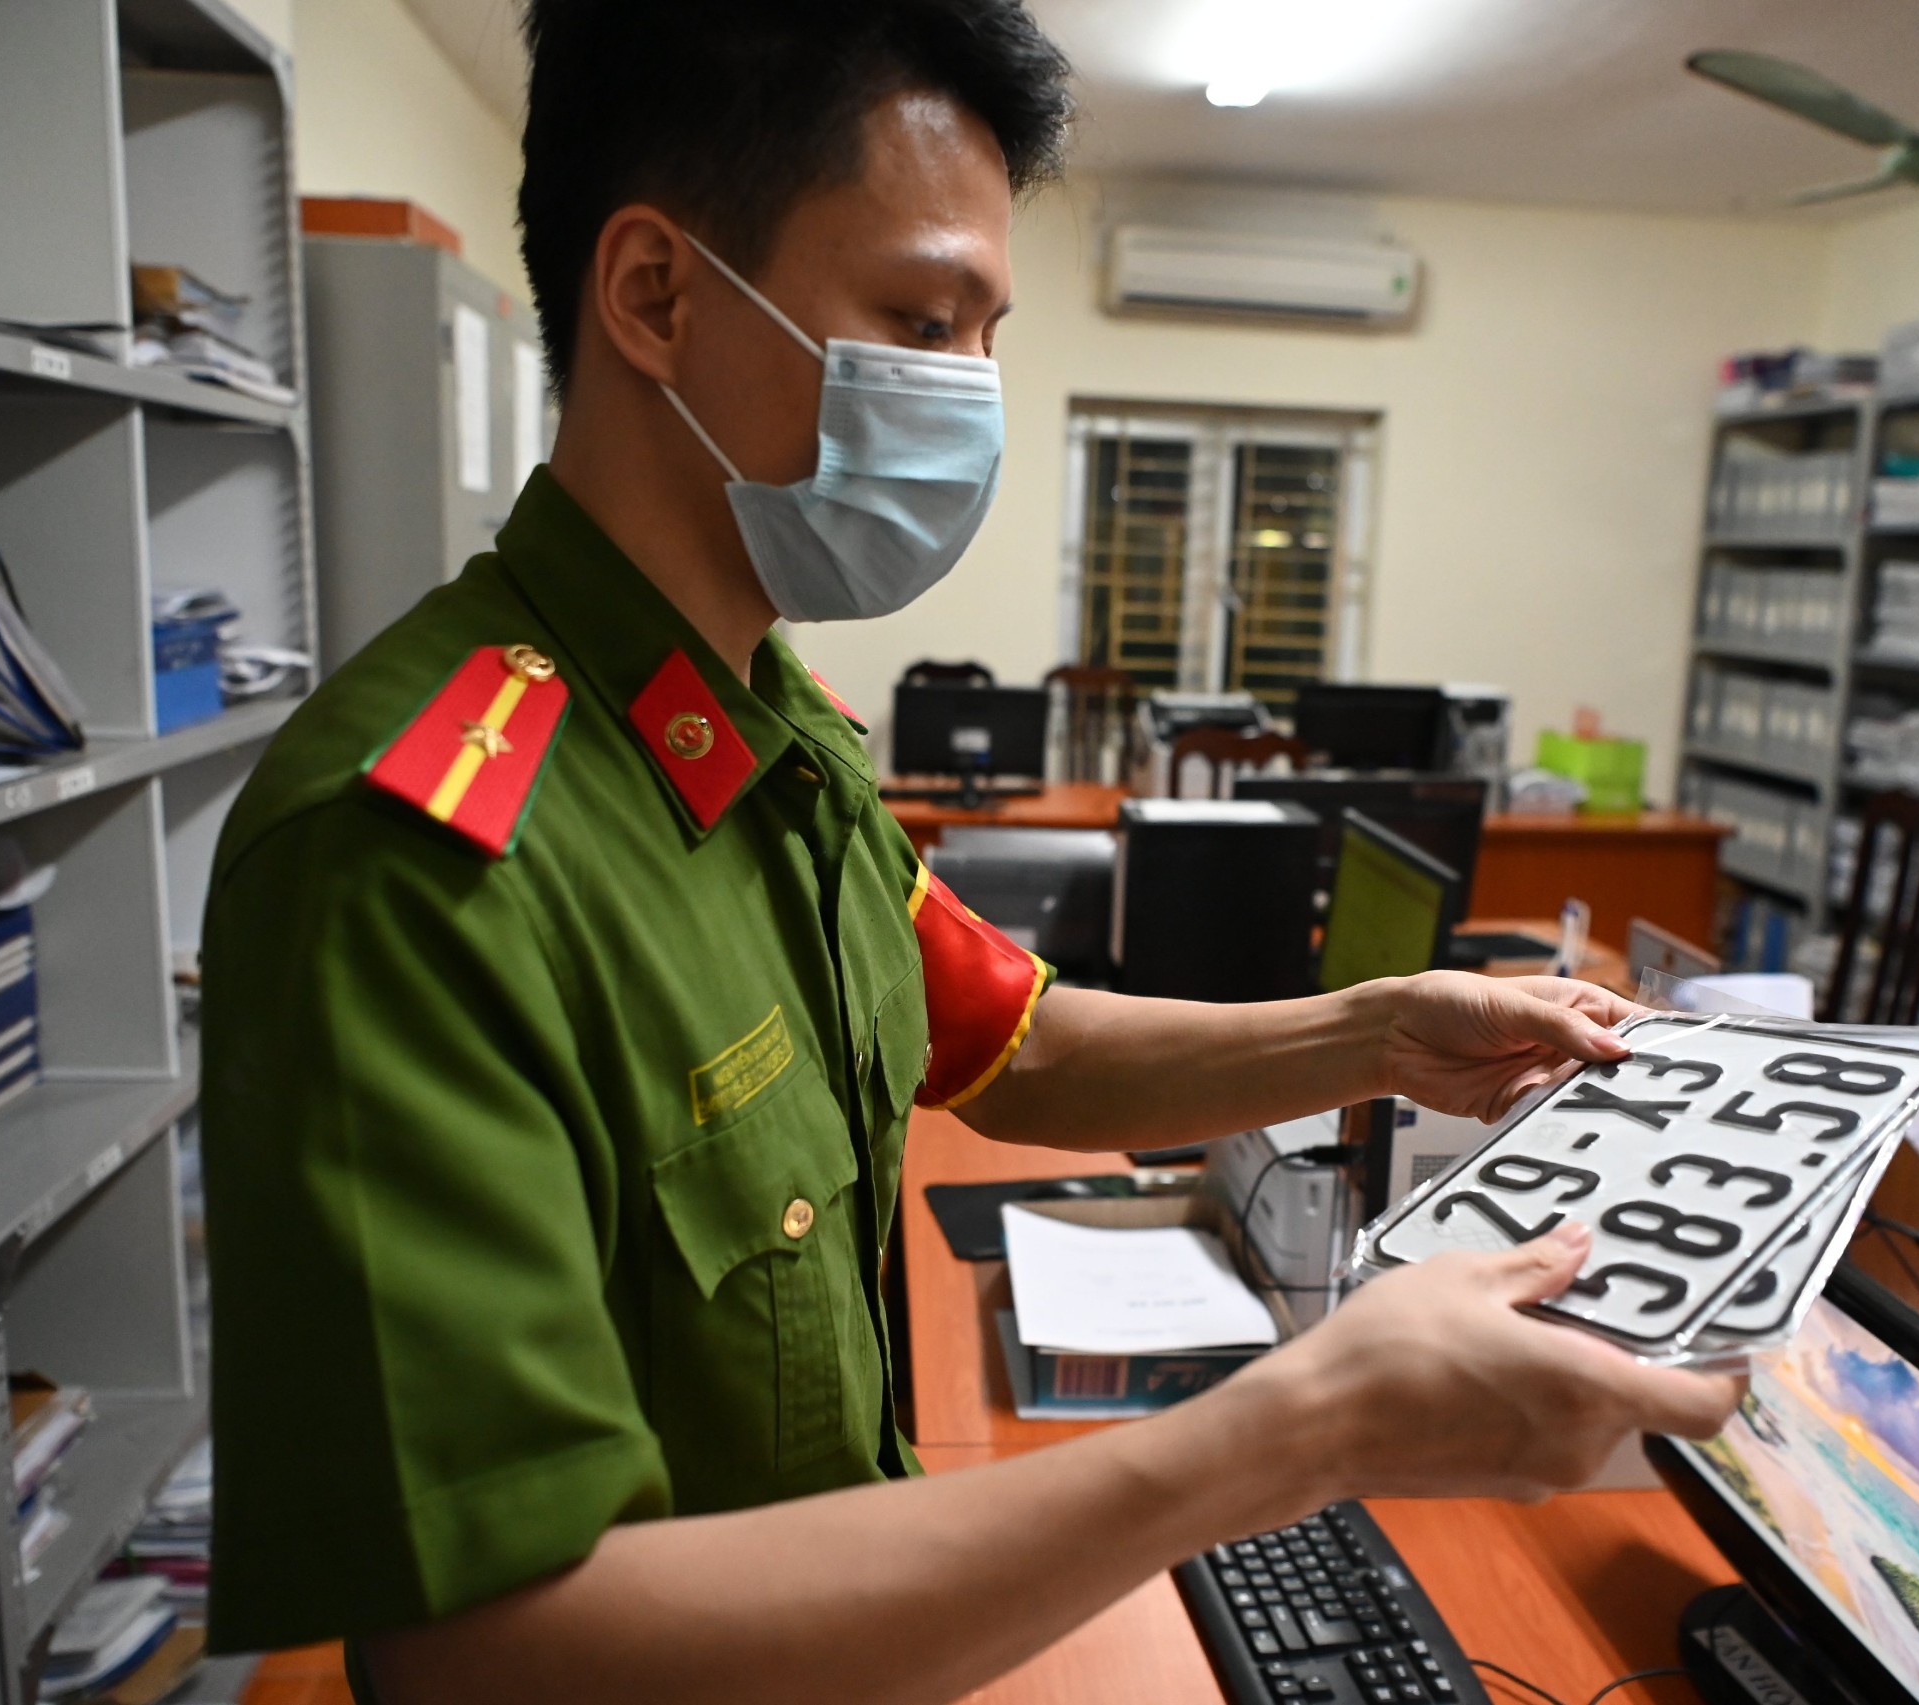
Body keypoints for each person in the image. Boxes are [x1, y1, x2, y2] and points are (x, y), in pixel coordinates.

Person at [197, 3, 1742, 1701]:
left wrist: (1375, 1033)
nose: (968, 396)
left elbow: (1019, 1044)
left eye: (984, 334)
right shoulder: (417, 861)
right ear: (654, 294)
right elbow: (490, 1652)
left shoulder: (770, 729)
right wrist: (1293, 1428)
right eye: (919, 321)